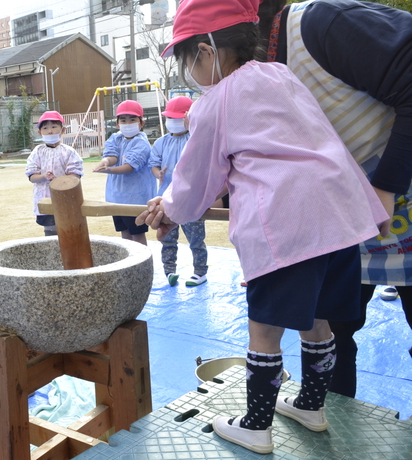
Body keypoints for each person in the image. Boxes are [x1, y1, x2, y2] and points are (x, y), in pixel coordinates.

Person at [138, 0, 389, 453]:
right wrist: (176, 202)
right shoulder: (282, 75)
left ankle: (256, 424)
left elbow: (197, 180)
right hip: (338, 215)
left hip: (287, 223)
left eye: (186, 60)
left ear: (207, 52)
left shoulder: (217, 101)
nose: (189, 72)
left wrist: (170, 208)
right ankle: (311, 406)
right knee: (319, 320)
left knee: (264, 330)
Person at [256, 0, 412, 395]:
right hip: (346, 214)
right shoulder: (258, 78)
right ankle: (335, 431)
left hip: (395, 192)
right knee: (332, 326)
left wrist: (387, 186)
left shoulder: (320, 24)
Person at [149, 96, 208, 287]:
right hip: (167, 200)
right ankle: (169, 271)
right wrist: (158, 174)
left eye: (178, 118)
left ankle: (200, 272)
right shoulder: (161, 142)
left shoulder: (195, 139)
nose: (174, 122)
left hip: (192, 200)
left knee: (196, 239)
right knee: (167, 238)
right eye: (170, 118)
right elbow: (154, 164)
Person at [93, 100, 156, 246]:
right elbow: (112, 156)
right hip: (117, 197)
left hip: (136, 199)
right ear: (117, 124)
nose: (127, 123)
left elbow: (129, 167)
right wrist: (106, 162)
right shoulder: (115, 138)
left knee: (138, 234)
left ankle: (142, 264)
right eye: (123, 120)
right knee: (125, 233)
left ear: (142, 123)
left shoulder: (142, 143)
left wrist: (109, 170)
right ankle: (130, 263)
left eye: (132, 119)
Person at [25, 110, 84, 236]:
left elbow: (76, 174)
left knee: (68, 228)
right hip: (44, 198)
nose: (50, 131)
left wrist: (62, 181)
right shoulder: (37, 151)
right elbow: (31, 175)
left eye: (54, 127)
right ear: (40, 132)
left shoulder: (69, 151)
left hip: (66, 198)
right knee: (50, 231)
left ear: (62, 130)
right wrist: (43, 177)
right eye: (45, 128)